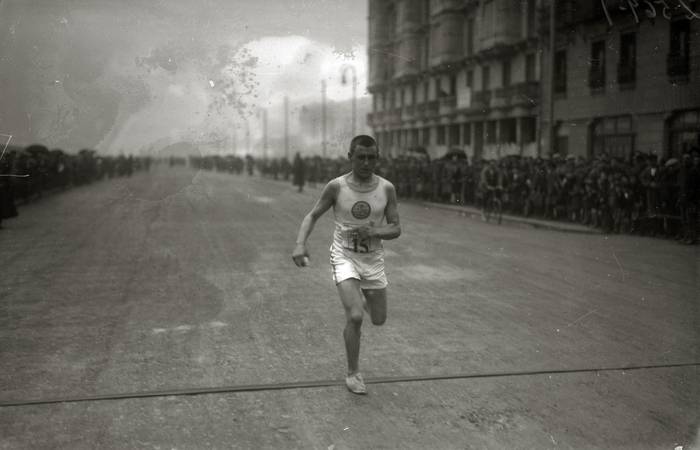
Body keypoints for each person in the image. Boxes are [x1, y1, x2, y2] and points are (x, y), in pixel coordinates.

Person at [291, 135, 401, 395]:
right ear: (350, 157)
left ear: (377, 158)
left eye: (371, 157)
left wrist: (374, 232)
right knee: (355, 316)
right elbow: (312, 215)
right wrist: (299, 244)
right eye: (360, 157)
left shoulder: (386, 188)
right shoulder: (336, 187)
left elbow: (396, 228)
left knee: (379, 319)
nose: (366, 162)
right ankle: (353, 373)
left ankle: (362, 298)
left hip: (372, 261)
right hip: (344, 257)